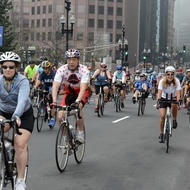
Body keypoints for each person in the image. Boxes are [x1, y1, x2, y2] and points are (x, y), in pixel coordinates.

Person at [0, 52, 34, 190]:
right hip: (3, 112)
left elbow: (22, 100)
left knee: (20, 144)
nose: (8, 69)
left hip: (23, 114)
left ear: (17, 67)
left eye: (11, 67)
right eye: (5, 66)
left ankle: (20, 179)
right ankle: (6, 146)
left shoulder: (22, 81)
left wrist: (16, 115)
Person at [52, 48, 89, 143]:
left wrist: (77, 101)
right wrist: (54, 102)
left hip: (81, 92)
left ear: (78, 60)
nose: (71, 62)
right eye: (69, 59)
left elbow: (83, 87)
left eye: (74, 59)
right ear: (67, 60)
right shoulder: (62, 70)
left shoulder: (83, 70)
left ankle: (80, 133)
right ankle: (66, 137)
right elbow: (55, 86)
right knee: (60, 116)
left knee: (78, 109)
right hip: (69, 93)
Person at [156, 66, 181, 143]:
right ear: (165, 74)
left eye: (172, 74)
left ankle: (174, 120)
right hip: (163, 98)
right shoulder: (162, 81)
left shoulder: (177, 81)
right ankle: (161, 133)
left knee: (174, 105)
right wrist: (158, 101)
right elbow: (159, 93)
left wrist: (178, 101)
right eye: (168, 74)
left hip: (173, 98)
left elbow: (178, 93)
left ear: (174, 75)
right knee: (162, 116)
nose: (170, 76)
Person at [34, 60, 56, 127]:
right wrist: (35, 87)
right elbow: (38, 81)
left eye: (46, 68)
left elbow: (54, 84)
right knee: (41, 93)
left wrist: (51, 92)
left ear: (49, 68)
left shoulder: (53, 73)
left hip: (52, 86)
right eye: (43, 68)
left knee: (52, 103)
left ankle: (52, 118)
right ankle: (43, 106)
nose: (45, 69)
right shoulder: (42, 73)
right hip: (46, 86)